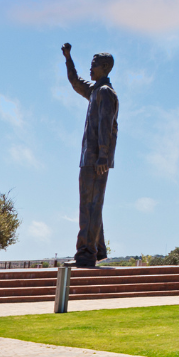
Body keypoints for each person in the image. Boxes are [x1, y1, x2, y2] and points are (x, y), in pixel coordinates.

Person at [62, 43, 118, 268]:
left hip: (96, 159)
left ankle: (85, 254)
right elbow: (75, 82)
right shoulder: (95, 91)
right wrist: (68, 58)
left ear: (105, 67)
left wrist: (103, 155)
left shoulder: (105, 92)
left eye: (94, 65)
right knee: (91, 204)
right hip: (90, 157)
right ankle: (97, 249)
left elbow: (107, 123)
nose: (90, 68)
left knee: (89, 205)